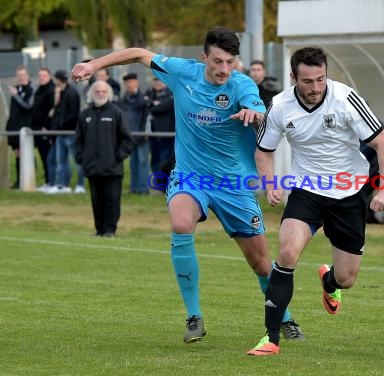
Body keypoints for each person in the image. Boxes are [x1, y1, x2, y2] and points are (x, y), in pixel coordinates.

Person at [71, 26, 305, 344]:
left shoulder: (242, 85)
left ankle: (285, 317)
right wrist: (93, 65)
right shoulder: (183, 73)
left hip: (234, 183)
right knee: (181, 222)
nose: (225, 69)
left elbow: (259, 109)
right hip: (190, 175)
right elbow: (139, 54)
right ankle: (194, 316)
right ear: (203, 57)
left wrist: (255, 112)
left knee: (261, 263)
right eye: (218, 61)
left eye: (231, 62)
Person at [248, 46, 384, 356]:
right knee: (287, 253)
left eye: (320, 79)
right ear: (293, 78)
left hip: (348, 193)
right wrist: (270, 183)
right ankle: (271, 338)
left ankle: (329, 283)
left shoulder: (345, 99)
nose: (315, 88)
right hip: (306, 191)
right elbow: (263, 151)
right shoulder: (279, 106)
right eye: (307, 81)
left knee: (347, 278)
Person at [75, 81, 133, 237]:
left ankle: (110, 230)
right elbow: (78, 139)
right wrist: (81, 157)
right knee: (97, 202)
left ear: (108, 94)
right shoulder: (85, 114)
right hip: (92, 168)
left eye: (103, 91)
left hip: (112, 168)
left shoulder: (116, 113)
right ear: (92, 94)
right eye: (97, 91)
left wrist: (117, 156)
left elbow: (127, 140)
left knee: (112, 201)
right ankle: (99, 229)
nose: (101, 94)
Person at [49, 70, 84, 194]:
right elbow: (58, 111)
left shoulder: (72, 93)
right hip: (61, 132)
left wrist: (62, 125)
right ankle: (63, 185)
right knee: (61, 159)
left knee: (77, 159)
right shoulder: (61, 93)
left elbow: (74, 114)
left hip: (70, 132)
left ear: (58, 80)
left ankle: (80, 185)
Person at [118, 73, 149, 194]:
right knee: (133, 164)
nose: (129, 85)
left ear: (137, 83)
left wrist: (143, 134)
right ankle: (133, 188)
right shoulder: (123, 100)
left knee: (143, 163)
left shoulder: (143, 99)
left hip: (142, 137)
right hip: (129, 137)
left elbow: (146, 116)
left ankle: (143, 189)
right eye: (127, 83)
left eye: (131, 82)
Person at [5, 66, 34, 189]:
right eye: (19, 75)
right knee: (17, 154)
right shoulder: (16, 89)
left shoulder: (31, 90)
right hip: (13, 127)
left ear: (27, 76)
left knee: (25, 154)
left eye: (23, 75)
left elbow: (28, 106)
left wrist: (16, 95)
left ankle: (28, 180)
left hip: (24, 127)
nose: (21, 77)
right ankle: (18, 181)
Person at [31, 68, 56, 192]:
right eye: (40, 75)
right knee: (43, 156)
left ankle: (51, 182)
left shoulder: (51, 90)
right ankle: (47, 181)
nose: (41, 77)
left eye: (44, 75)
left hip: (46, 129)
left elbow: (52, 112)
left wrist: (46, 126)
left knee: (48, 157)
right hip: (37, 128)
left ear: (49, 76)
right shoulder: (39, 90)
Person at [145, 78, 175, 175]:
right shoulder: (150, 93)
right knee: (154, 158)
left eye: (160, 80)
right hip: (152, 133)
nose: (158, 83)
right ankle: (158, 182)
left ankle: (164, 184)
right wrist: (153, 103)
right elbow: (142, 102)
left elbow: (164, 107)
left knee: (165, 158)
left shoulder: (171, 93)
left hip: (166, 133)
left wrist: (151, 105)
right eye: (156, 80)